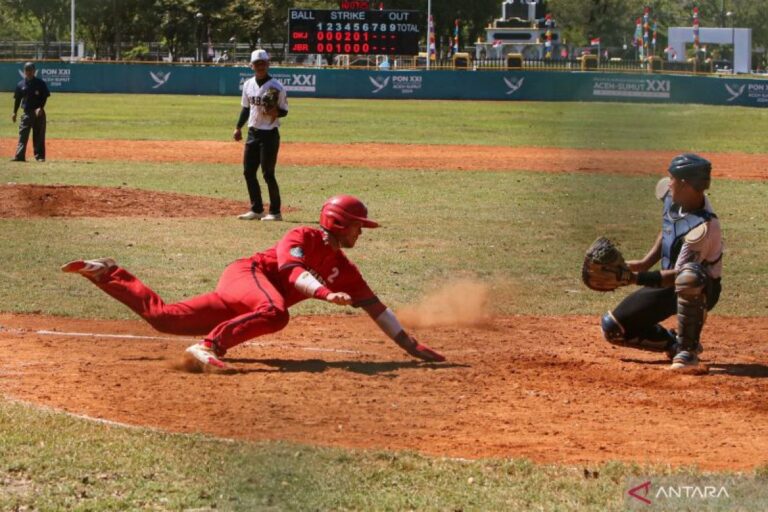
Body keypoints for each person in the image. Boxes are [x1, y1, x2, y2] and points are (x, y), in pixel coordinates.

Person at [61, 195, 445, 369]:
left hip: (251, 300)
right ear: (341, 224)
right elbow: (294, 275)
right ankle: (209, 347)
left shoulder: (346, 269)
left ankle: (106, 272)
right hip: (247, 276)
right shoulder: (302, 236)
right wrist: (325, 293)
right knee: (275, 313)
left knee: (166, 320)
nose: (362, 233)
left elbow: (376, 308)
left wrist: (410, 345)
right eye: (360, 226)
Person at [600, 154, 723, 370]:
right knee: (613, 328)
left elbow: (677, 276)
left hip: (702, 289)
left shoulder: (704, 227)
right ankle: (673, 343)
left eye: (673, 177)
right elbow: (669, 227)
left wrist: (633, 278)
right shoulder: (674, 197)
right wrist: (644, 263)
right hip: (668, 284)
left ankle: (688, 351)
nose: (669, 182)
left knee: (689, 277)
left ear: (685, 184)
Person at [234, 49, 288, 222]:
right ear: (252, 66)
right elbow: (246, 107)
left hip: (269, 134)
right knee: (248, 172)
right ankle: (256, 209)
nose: (260, 66)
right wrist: (238, 127)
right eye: (257, 64)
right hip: (253, 132)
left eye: (263, 63)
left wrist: (275, 111)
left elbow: (284, 111)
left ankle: (275, 212)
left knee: (267, 173)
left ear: (268, 64)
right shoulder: (248, 84)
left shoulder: (277, 87)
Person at [11, 62, 50, 162]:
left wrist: (40, 108)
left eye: (30, 70)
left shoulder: (40, 83)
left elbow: (44, 97)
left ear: (34, 71)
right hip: (26, 113)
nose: (28, 72)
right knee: (22, 135)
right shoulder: (20, 84)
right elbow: (17, 99)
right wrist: (14, 112)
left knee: (39, 135)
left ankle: (40, 157)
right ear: (24, 71)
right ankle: (19, 156)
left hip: (39, 113)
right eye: (27, 70)